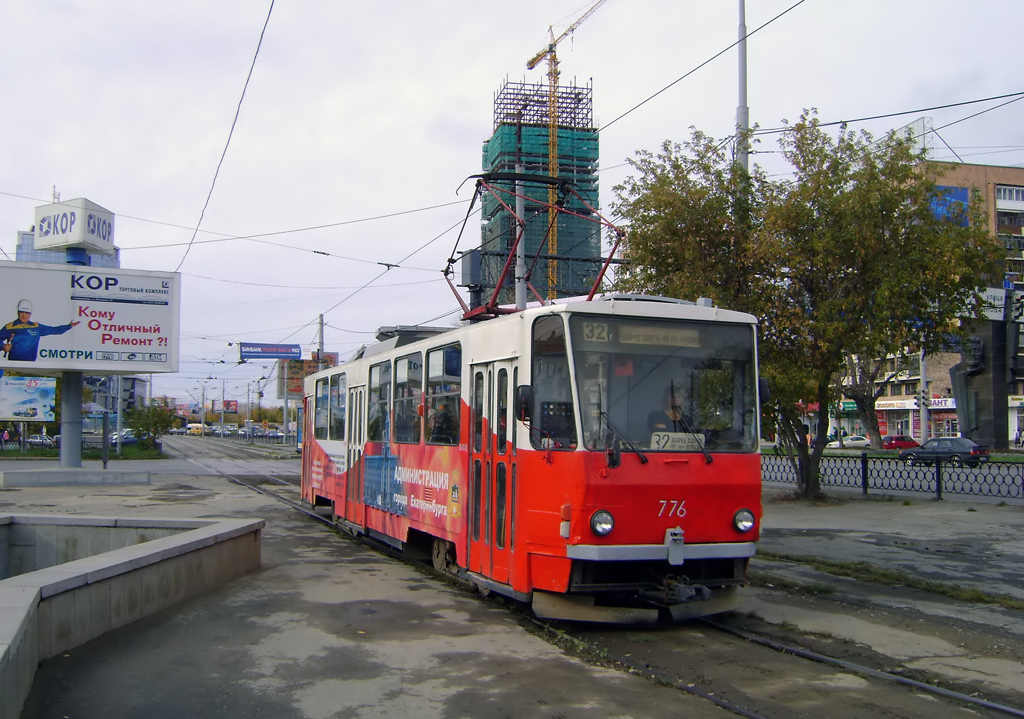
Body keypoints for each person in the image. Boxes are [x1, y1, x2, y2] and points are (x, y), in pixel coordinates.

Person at [0, 299, 80, 362]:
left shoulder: (36, 326)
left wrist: (68, 326)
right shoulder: (9, 327)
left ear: (30, 313)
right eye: (21, 312)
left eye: (27, 313)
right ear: (18, 312)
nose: (24, 315)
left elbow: (53, 330)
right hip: (14, 364)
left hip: (31, 365)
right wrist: (3, 346)